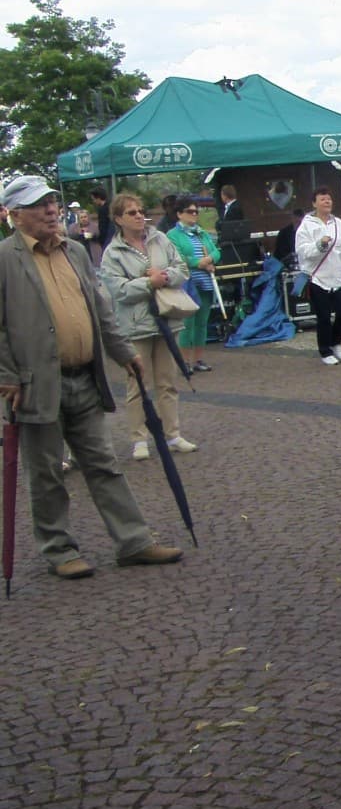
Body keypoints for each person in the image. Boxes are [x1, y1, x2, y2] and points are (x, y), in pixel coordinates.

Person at [0, 175, 184, 579]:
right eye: (39, 205)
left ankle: (133, 541)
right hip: (33, 384)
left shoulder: (75, 251)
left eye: (51, 202)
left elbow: (100, 308)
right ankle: (59, 549)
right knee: (46, 473)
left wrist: (122, 351)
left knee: (104, 464)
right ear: (15, 215)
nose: (51, 210)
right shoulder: (5, 259)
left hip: (83, 376)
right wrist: (7, 375)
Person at [100, 193, 196, 460]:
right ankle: (139, 439)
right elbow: (118, 290)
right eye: (132, 212)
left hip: (167, 320)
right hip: (135, 326)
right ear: (118, 219)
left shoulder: (160, 239)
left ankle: (173, 434)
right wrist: (147, 284)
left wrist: (163, 276)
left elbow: (182, 269)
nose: (140, 216)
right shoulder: (113, 253)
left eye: (141, 211)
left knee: (168, 382)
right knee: (137, 386)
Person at [296, 187, 341, 365]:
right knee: (323, 317)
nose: (327, 202)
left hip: (340, 276)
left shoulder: (339, 224)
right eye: (322, 199)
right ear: (314, 203)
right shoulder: (306, 226)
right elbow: (302, 251)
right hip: (318, 278)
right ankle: (325, 351)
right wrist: (319, 245)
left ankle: (336, 343)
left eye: (329, 199)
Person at [165, 196, 219, 373]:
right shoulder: (172, 235)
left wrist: (210, 259)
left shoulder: (202, 233)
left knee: (202, 323)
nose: (194, 214)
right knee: (187, 323)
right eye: (190, 211)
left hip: (206, 283)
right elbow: (178, 257)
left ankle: (198, 359)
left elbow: (216, 251)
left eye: (196, 211)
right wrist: (199, 263)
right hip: (187, 284)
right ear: (179, 214)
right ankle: (185, 361)